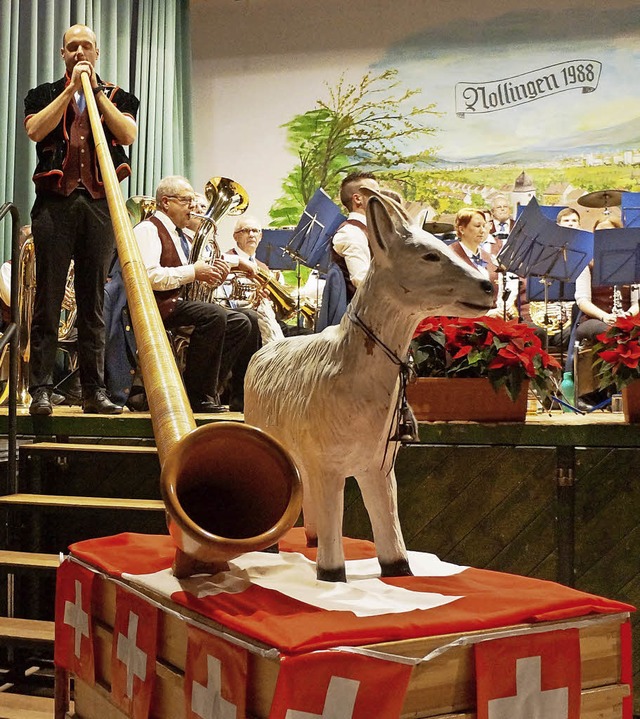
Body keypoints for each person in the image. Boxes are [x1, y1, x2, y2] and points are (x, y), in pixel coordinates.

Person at [24, 24, 139, 416]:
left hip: (99, 205)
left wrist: (95, 96)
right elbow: (35, 130)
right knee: (48, 298)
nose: (79, 52)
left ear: (97, 52)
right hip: (54, 206)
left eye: (86, 47)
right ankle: (40, 388)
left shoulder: (119, 95)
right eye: (72, 47)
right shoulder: (43, 93)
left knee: (92, 303)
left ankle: (94, 390)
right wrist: (71, 90)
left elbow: (126, 133)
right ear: (62, 54)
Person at [133, 175, 258, 413]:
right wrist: (194, 271)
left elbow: (194, 273)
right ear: (166, 202)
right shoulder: (149, 229)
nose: (193, 206)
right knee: (213, 315)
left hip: (177, 302)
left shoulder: (179, 235)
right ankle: (196, 395)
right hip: (157, 306)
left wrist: (213, 274)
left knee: (244, 321)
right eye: (186, 200)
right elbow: (148, 277)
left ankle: (211, 391)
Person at [317, 171, 380, 329]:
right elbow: (361, 280)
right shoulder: (352, 232)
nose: (381, 199)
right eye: (376, 194)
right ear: (357, 198)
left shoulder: (366, 230)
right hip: (358, 324)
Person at [225, 216, 285, 344]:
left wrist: (263, 300)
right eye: (245, 231)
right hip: (239, 317)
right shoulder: (227, 260)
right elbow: (226, 298)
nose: (251, 234)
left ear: (261, 236)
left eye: (255, 231)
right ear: (235, 237)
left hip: (260, 317)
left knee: (302, 333)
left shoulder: (263, 268)